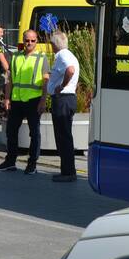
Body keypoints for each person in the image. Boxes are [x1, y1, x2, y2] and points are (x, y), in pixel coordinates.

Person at [0, 29, 50, 175]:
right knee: (11, 131)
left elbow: (45, 81)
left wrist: (43, 100)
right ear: (23, 41)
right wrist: (7, 98)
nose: (29, 43)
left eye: (33, 40)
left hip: (33, 100)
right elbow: (10, 80)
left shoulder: (41, 58)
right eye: (27, 40)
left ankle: (32, 164)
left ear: (36, 41)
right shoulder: (16, 57)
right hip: (17, 100)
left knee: (34, 133)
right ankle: (10, 161)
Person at [47, 30, 80, 182]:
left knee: (63, 137)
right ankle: (67, 170)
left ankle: (68, 172)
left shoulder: (62, 55)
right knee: (64, 135)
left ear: (54, 44)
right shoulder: (68, 55)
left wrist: (61, 86)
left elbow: (70, 70)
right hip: (67, 99)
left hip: (63, 99)